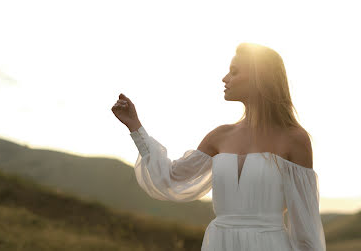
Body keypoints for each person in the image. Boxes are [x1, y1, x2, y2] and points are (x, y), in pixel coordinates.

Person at [111, 43, 326, 251]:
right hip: (219, 243)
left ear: (260, 77)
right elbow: (170, 177)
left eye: (234, 71)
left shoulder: (295, 139)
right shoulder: (220, 136)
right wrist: (135, 127)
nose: (225, 78)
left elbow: (305, 226)